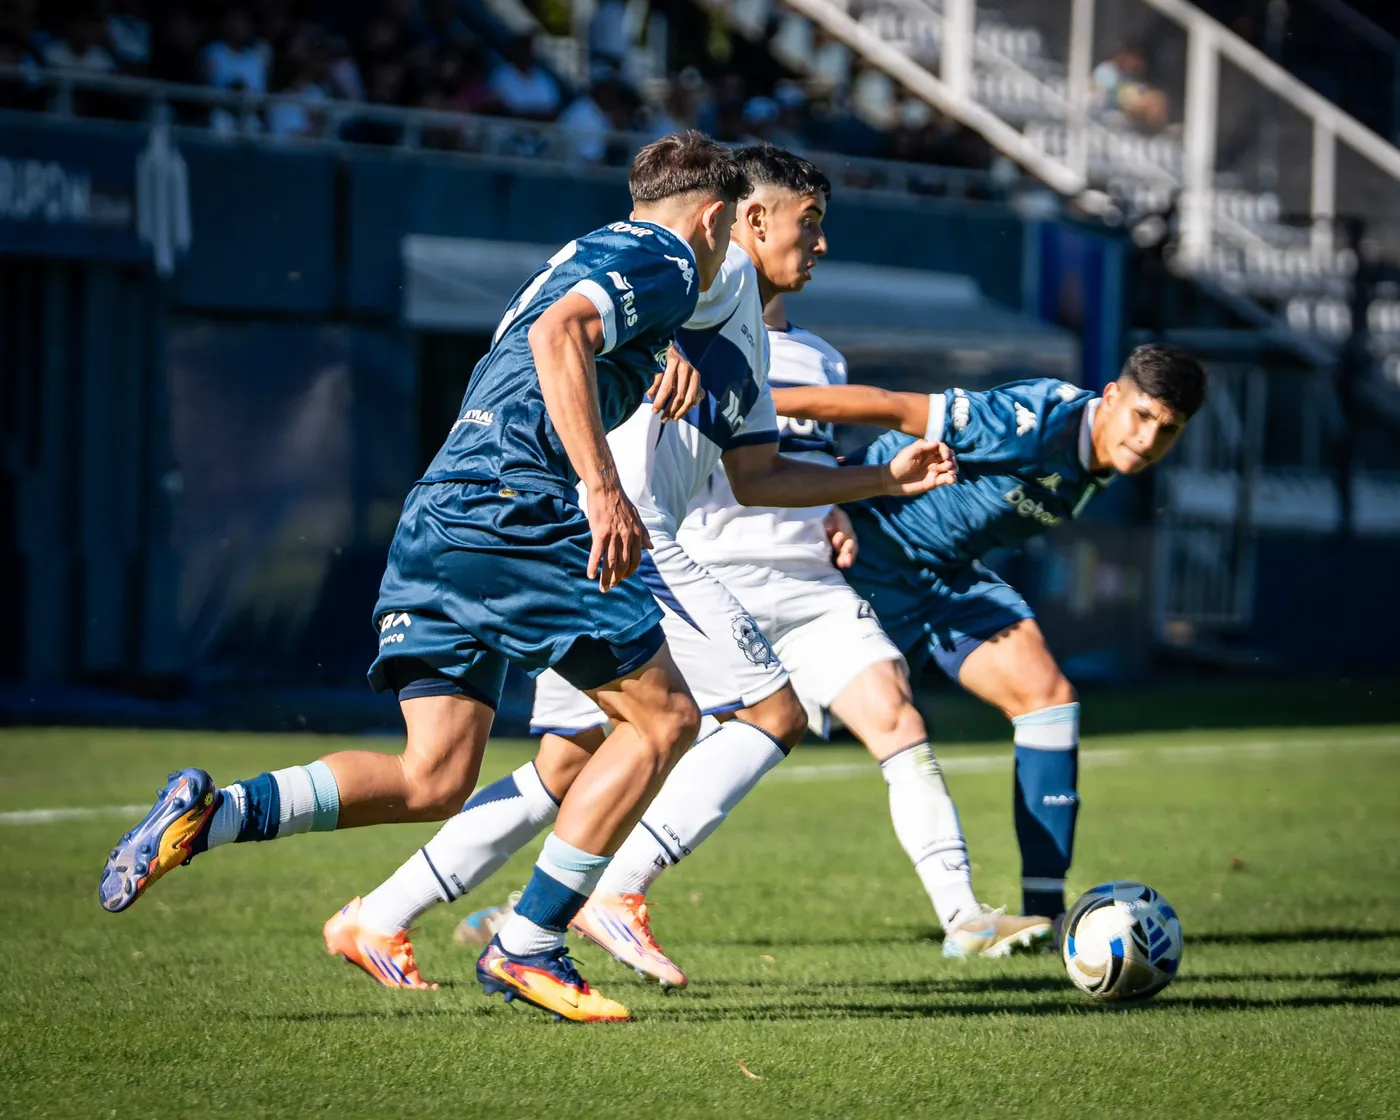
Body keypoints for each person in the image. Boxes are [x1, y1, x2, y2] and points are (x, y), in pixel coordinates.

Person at [98, 132, 750, 1024]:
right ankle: (530, 941)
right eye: (730, 233)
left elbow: (555, 330)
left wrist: (652, 353)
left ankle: (213, 815)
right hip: (515, 507)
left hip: (440, 511)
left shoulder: (588, 253)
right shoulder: (669, 258)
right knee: (664, 719)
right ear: (711, 219)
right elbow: (561, 335)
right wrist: (603, 490)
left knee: (433, 775)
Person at [339, 144, 956, 1000]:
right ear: (744, 219)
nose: (820, 244)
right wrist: (658, 349)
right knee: (770, 711)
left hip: (606, 536)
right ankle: (606, 895)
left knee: (570, 764)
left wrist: (880, 480)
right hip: (625, 528)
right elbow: (600, 300)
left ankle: (380, 914)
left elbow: (759, 477)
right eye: (808, 222)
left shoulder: (752, 335)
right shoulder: (705, 269)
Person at [457, 303, 1063, 983]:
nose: (817, 252)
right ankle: (532, 905)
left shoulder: (824, 355)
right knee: (584, 758)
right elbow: (674, 463)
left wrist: (836, 508)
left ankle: (963, 916)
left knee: (896, 716)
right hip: (709, 577)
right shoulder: (684, 338)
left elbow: (795, 463)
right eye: (805, 239)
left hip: (808, 586)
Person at [769, 344, 1207, 928]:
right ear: (1110, 397)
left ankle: (1047, 919)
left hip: (944, 579)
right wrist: (758, 403)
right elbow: (888, 405)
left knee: (1047, 699)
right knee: (756, 725)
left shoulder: (1106, 458)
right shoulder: (1032, 422)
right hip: (868, 556)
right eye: (1142, 415)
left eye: (1168, 429)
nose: (1149, 438)